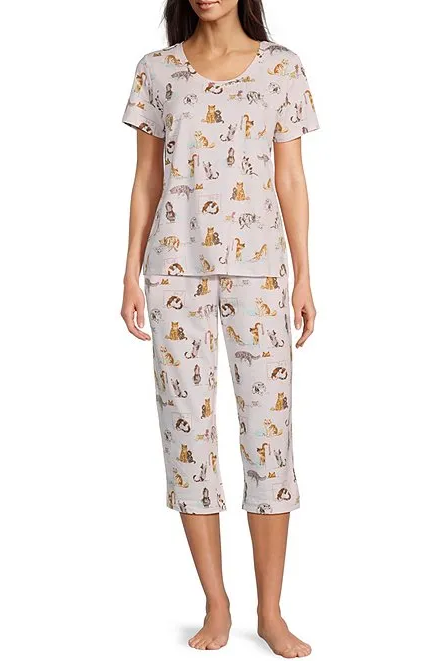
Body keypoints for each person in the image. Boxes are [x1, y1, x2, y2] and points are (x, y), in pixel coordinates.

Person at [120, 0, 319, 656]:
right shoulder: (157, 70)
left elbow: (291, 177)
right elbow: (146, 179)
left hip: (260, 272)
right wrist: (130, 275)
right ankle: (216, 602)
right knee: (187, 434)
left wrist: (303, 276)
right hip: (174, 272)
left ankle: (271, 611)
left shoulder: (281, 68)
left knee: (269, 437)